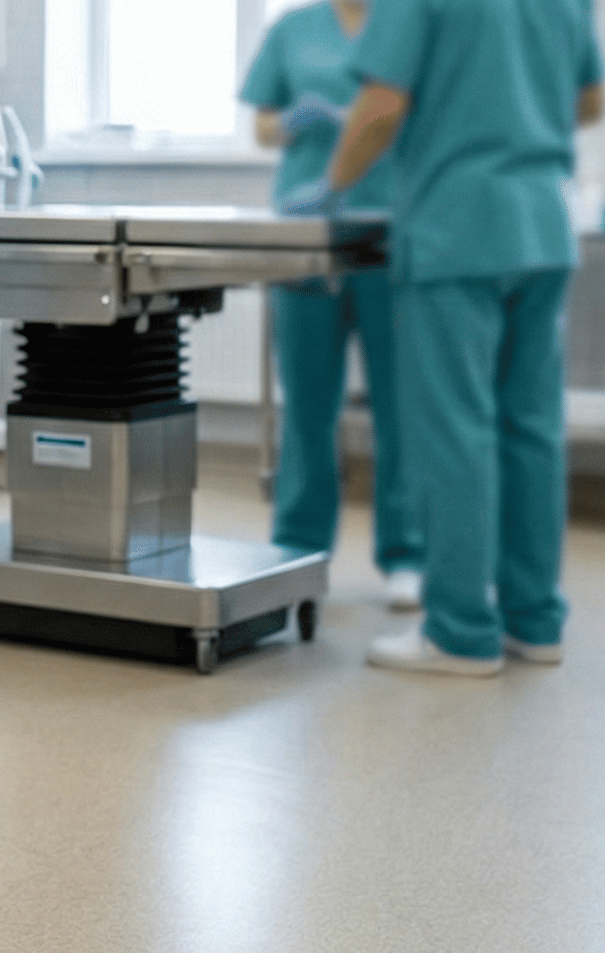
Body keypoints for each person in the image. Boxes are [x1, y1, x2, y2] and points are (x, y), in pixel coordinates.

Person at [285, 0, 605, 676]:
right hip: (544, 223)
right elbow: (592, 101)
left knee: (456, 430)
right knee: (534, 430)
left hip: (457, 227)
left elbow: (380, 105)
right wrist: (519, 127)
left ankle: (461, 632)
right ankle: (535, 621)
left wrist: (331, 187)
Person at [243, 0, 423, 610]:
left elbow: (421, 111)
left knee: (399, 402)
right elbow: (261, 124)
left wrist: (366, 123)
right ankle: (298, 550)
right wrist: (293, 122)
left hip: (389, 227)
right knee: (307, 402)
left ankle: (407, 553)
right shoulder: (292, 29)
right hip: (307, 229)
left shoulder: (406, 21)